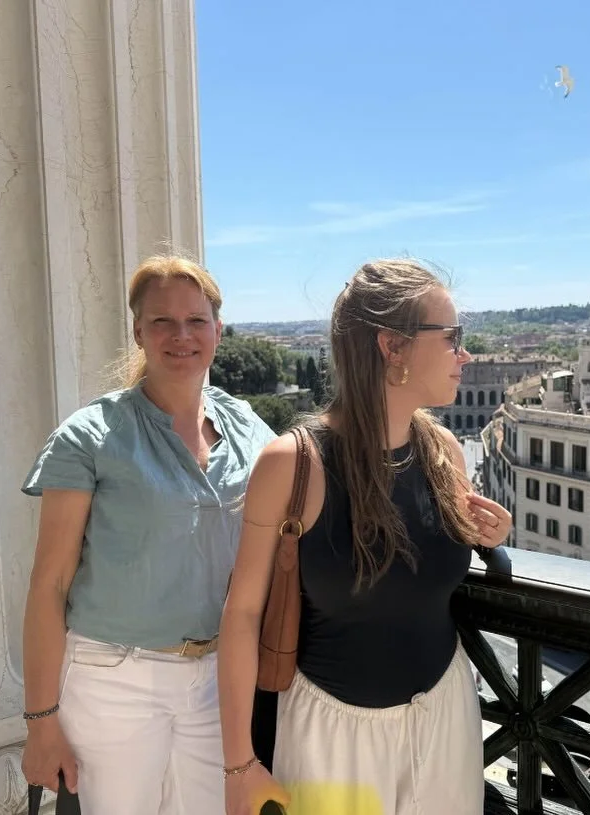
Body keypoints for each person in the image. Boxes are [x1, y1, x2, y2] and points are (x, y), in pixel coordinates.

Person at [218, 259, 513, 815]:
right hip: (333, 739)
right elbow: (242, 615)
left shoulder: (444, 452)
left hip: (446, 721)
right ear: (392, 346)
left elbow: (425, 558)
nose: (466, 355)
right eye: (452, 338)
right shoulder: (292, 464)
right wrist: (239, 765)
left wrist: (490, 534)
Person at [19, 255, 276, 814]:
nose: (181, 336)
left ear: (217, 330)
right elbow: (49, 585)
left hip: (218, 681)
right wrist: (40, 721)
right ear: (138, 331)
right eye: (163, 321)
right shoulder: (90, 435)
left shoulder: (247, 427)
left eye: (196, 320)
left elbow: (305, 499)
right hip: (114, 680)